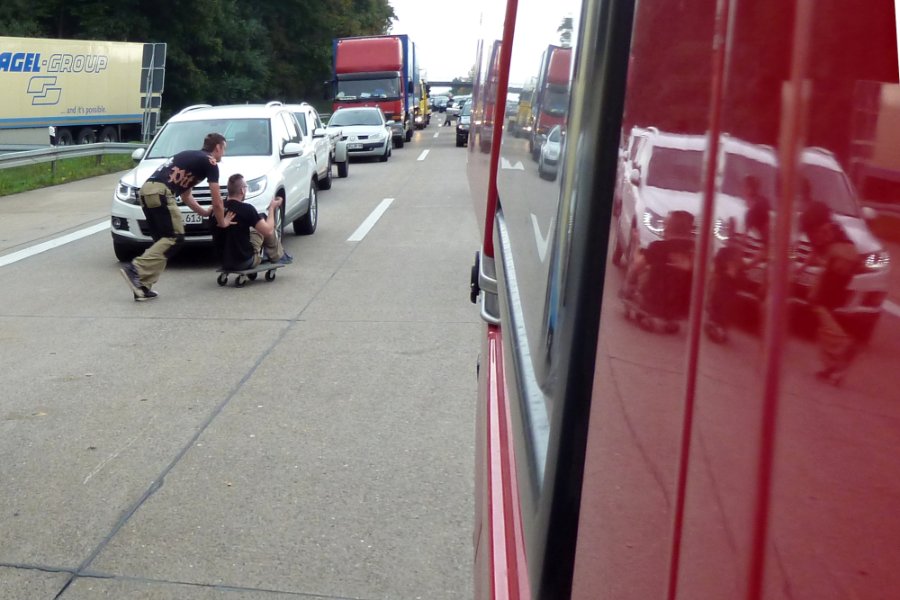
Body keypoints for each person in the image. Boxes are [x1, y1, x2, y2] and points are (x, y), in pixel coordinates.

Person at [119, 133, 229, 301]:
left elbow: (186, 196)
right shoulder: (210, 162)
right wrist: (222, 222)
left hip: (146, 191)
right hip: (162, 193)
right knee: (175, 237)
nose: (224, 154)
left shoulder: (190, 157)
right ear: (218, 147)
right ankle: (135, 269)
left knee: (163, 243)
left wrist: (204, 213)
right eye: (224, 149)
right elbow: (217, 201)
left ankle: (142, 285)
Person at [799, 201, 862, 384]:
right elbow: (817, 253)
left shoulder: (818, 227)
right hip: (848, 261)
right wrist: (801, 268)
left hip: (838, 261)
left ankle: (844, 344)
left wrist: (810, 279)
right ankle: (834, 366)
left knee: (817, 303)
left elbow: (823, 254)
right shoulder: (831, 225)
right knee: (825, 314)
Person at [622, 210, 695, 322]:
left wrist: (636, 243)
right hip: (683, 309)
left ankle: (630, 295)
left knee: (638, 268)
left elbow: (637, 266)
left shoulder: (658, 247)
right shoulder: (695, 252)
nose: (663, 228)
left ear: (669, 227)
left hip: (654, 302)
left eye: (665, 224)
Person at [211, 173, 293, 270]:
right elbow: (268, 231)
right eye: (246, 187)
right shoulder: (247, 209)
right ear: (242, 190)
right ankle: (278, 256)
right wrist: (272, 208)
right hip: (245, 261)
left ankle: (278, 254)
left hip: (223, 262)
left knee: (252, 224)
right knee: (263, 225)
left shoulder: (216, 211)